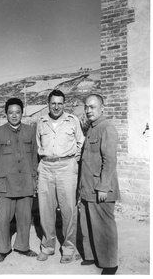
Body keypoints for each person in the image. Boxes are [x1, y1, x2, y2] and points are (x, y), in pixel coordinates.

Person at [0, 98, 38, 262]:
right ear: (6, 113)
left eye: (17, 112)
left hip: (25, 181)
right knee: (3, 219)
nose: (14, 115)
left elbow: (35, 157)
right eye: (10, 112)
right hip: (5, 183)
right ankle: (2, 249)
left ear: (22, 113)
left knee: (24, 218)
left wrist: (34, 177)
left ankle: (23, 247)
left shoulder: (30, 131)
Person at [36, 89, 84, 263]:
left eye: (60, 103)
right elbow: (38, 144)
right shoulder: (41, 122)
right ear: (48, 104)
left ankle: (69, 248)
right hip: (46, 166)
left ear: (64, 104)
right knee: (45, 209)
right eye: (53, 103)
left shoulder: (72, 121)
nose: (56, 106)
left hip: (66, 167)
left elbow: (81, 142)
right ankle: (48, 246)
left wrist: (73, 160)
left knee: (68, 209)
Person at [78, 93, 120, 275]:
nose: (89, 110)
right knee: (88, 223)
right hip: (88, 187)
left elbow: (109, 161)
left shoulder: (106, 128)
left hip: (101, 188)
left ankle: (110, 263)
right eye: (86, 107)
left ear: (102, 108)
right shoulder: (92, 128)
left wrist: (103, 186)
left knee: (104, 226)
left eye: (92, 107)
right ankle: (92, 256)